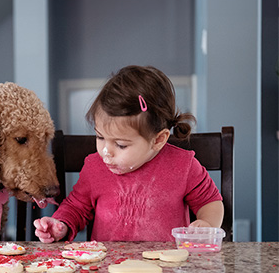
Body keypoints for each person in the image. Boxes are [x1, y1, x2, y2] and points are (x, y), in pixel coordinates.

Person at [34, 65, 224, 243]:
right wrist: (61, 225)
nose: (106, 152)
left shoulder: (184, 166)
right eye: (100, 137)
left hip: (167, 270)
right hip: (106, 269)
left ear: (158, 140)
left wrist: (206, 225)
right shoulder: (94, 167)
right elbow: (76, 207)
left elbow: (211, 202)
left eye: (121, 145)